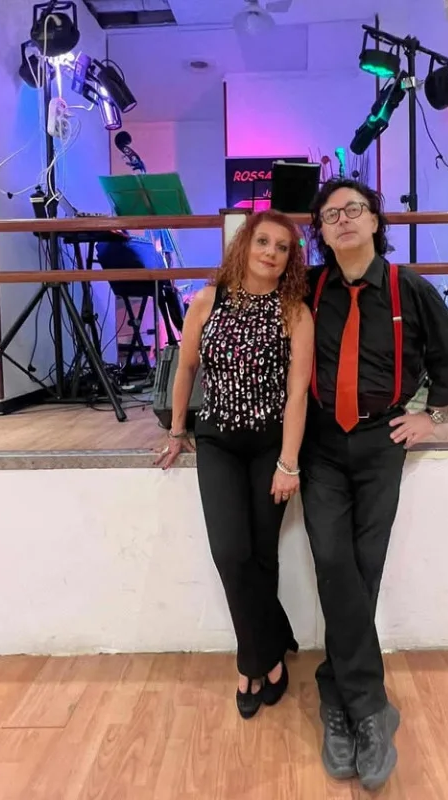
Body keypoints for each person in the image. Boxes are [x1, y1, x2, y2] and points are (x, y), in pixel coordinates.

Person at [301, 178, 448, 789]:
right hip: (320, 444)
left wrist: (434, 415)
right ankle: (369, 708)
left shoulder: (410, 288)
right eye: (330, 215)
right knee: (332, 560)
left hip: (381, 442)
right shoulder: (308, 289)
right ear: (320, 233)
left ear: (376, 221)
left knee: (364, 565)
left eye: (354, 209)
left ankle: (337, 693)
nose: (343, 219)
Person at [155, 210, 314, 719]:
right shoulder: (208, 301)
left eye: (283, 247)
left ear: (291, 260)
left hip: (270, 445)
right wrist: (177, 430)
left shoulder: (296, 312)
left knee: (262, 556)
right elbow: (186, 368)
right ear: (244, 245)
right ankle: (265, 653)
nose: (271, 252)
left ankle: (255, 665)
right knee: (231, 552)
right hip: (218, 442)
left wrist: (289, 463)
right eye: (263, 241)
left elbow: (297, 395)